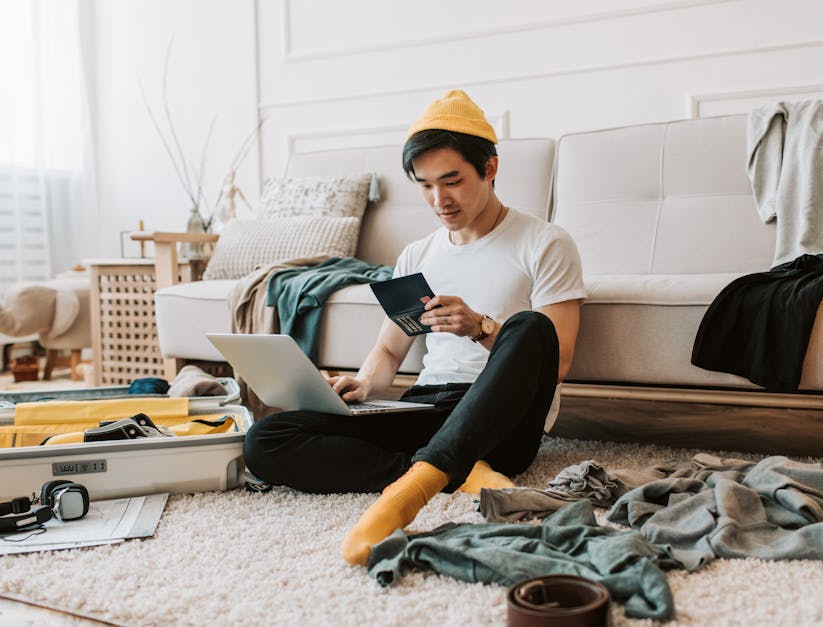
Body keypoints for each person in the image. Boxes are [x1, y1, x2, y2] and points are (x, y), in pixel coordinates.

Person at [243, 90, 586, 566]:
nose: (439, 199)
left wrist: (481, 327)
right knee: (265, 440)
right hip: (427, 408)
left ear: (490, 168)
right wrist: (361, 385)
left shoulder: (544, 243)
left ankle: (409, 492)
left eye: (452, 181)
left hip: (500, 417)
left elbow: (558, 358)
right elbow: (388, 352)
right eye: (424, 185)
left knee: (528, 326)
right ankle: (450, 471)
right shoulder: (417, 256)